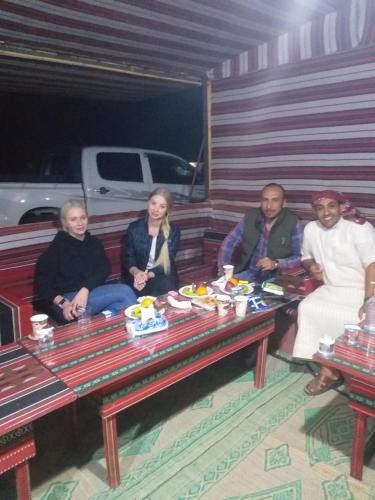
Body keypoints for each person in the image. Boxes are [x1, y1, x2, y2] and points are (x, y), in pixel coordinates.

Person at [293, 190, 375, 395]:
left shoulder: (359, 228)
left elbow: (372, 264)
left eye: (331, 206)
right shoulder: (311, 229)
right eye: (320, 208)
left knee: (355, 318)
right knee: (307, 307)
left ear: (341, 207)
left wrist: (368, 300)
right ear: (315, 211)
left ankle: (339, 370)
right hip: (332, 287)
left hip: (363, 288)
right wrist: (312, 266)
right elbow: (306, 257)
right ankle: (330, 368)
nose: (326, 212)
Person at [36, 200, 137, 322]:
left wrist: (85, 289)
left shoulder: (94, 243)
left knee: (122, 306)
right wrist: (64, 303)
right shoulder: (56, 249)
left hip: (91, 293)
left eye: (82, 218)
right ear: (65, 223)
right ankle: (143, 329)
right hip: (68, 302)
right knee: (124, 291)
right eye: (73, 219)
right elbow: (43, 286)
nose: (80, 223)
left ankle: (102, 336)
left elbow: (104, 269)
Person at [218, 183, 303, 281]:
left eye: (275, 200)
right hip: (250, 274)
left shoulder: (292, 221)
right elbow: (229, 243)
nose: (269, 206)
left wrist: (276, 263)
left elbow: (299, 257)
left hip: (277, 279)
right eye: (265, 200)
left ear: (283, 203)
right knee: (220, 290)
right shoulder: (251, 216)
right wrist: (224, 272)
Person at [124, 187, 180, 296]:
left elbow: (168, 261)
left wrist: (148, 275)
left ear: (167, 210)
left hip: (162, 276)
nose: (156, 209)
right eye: (153, 203)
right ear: (148, 203)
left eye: (162, 206)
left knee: (166, 287)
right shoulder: (134, 228)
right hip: (138, 276)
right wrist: (137, 273)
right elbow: (129, 259)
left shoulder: (174, 230)